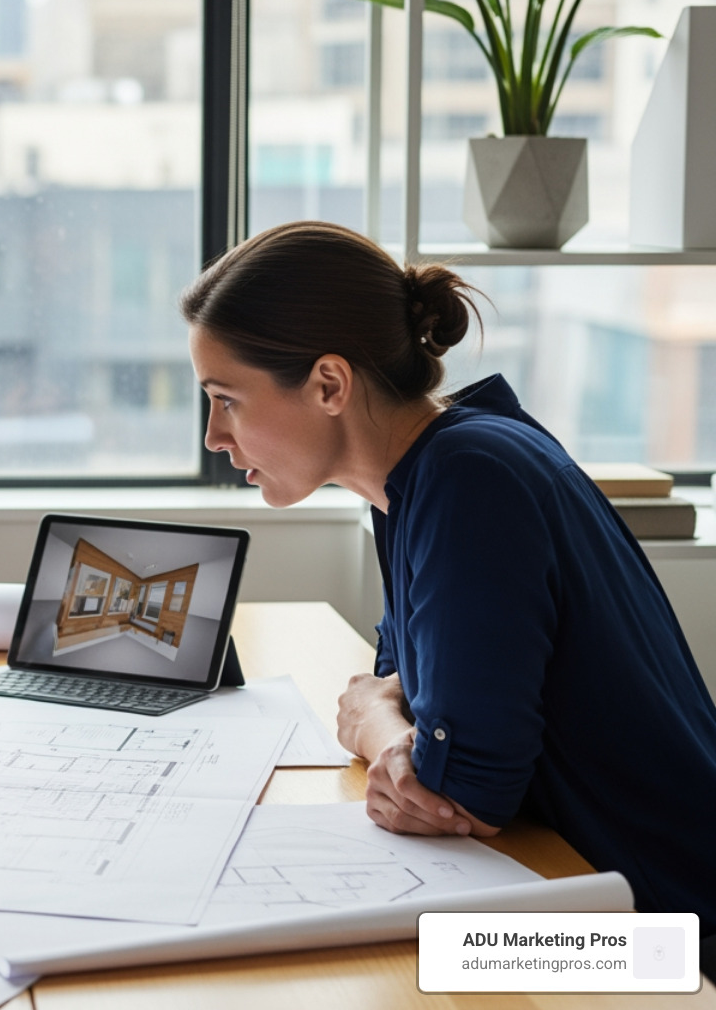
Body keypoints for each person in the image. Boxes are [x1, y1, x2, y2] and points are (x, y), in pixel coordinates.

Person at [180, 220, 716, 975]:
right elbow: (415, 693)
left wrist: (371, 724)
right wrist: (391, 721)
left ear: (330, 383)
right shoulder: (421, 473)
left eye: (226, 399)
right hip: (599, 888)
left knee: (338, 960)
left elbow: (461, 788)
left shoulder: (470, 477)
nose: (212, 436)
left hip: (664, 934)